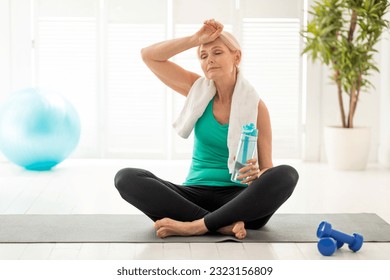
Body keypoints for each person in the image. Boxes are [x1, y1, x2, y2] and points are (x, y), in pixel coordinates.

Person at [114, 19, 299, 239]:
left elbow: (268, 168)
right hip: (192, 195)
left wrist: (258, 175)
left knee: (287, 174)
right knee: (125, 178)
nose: (209, 60)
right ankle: (219, 225)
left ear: (236, 57)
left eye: (217, 52)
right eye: (203, 56)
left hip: (238, 199)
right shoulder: (197, 90)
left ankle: (195, 225)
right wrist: (195, 40)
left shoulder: (257, 107)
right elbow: (149, 55)